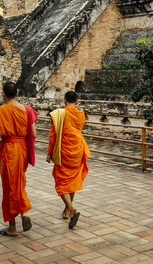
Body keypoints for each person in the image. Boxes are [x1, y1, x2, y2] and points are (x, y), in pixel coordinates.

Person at [0, 82, 37, 237]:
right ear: (18, 93)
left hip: (8, 150)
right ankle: (23, 213)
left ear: (3, 95)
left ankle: (12, 228)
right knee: (19, 182)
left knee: (9, 187)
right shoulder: (27, 110)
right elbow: (34, 135)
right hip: (21, 150)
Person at [46, 90, 90, 229]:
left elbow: (52, 136)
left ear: (64, 101)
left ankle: (70, 208)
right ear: (77, 102)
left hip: (64, 151)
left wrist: (49, 153)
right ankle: (66, 211)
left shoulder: (59, 114)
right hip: (77, 150)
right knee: (72, 180)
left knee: (61, 181)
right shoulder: (80, 114)